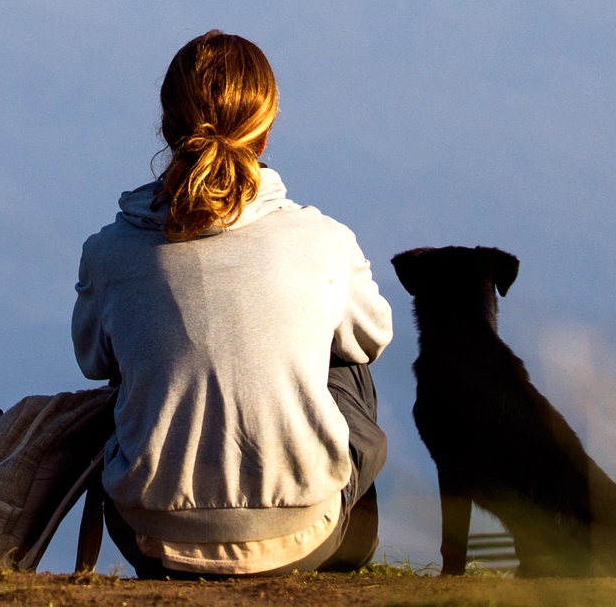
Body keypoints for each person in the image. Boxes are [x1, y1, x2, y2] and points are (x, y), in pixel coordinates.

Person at [72, 30, 391, 578]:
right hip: (303, 537)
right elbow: (374, 336)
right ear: (264, 136)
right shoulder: (325, 240)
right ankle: (347, 551)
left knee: (130, 370)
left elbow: (93, 361)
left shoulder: (110, 251)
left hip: (151, 537)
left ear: (169, 130)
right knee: (347, 361)